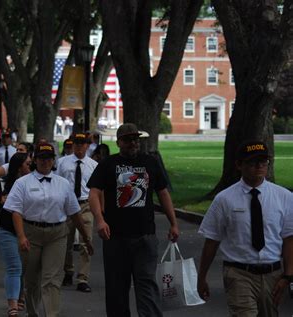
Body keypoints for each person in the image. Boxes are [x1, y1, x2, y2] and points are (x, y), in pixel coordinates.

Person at [87, 123, 179, 317]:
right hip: (115, 238)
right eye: (128, 140)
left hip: (145, 237)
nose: (133, 143)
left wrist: (173, 223)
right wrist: (100, 220)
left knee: (146, 286)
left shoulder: (150, 162)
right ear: (119, 142)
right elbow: (94, 193)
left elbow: (163, 193)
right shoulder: (108, 164)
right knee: (116, 289)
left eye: (136, 139)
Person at [197, 140, 293, 316]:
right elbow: (212, 240)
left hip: (272, 274)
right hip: (239, 273)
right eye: (252, 162)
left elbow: (289, 239)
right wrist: (201, 277)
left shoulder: (284, 197)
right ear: (239, 165)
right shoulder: (224, 199)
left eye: (263, 161)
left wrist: (288, 275)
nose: (259, 166)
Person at [4, 142, 94, 317]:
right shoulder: (22, 183)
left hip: (57, 234)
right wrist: (21, 236)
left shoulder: (63, 184)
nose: (45, 162)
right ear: (35, 160)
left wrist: (86, 238)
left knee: (52, 279)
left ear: (54, 161)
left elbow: (74, 213)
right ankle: (33, 312)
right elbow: (15, 211)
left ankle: (51, 314)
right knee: (32, 279)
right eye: (41, 158)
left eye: (49, 158)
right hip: (31, 233)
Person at [56, 133, 98, 293]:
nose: (79, 146)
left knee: (86, 242)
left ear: (87, 145)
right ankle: (68, 271)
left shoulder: (93, 165)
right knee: (66, 242)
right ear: (73, 145)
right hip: (67, 205)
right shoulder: (62, 163)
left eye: (82, 143)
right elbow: (57, 183)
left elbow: (96, 189)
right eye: (77, 143)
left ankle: (83, 278)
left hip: (85, 204)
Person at [0, 152, 32, 317]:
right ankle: (13, 305)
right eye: (27, 164)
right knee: (14, 267)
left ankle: (21, 295)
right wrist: (1, 200)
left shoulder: (34, 183)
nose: (30, 167)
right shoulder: (4, 184)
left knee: (25, 269)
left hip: (29, 231)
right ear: (19, 167)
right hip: (7, 231)